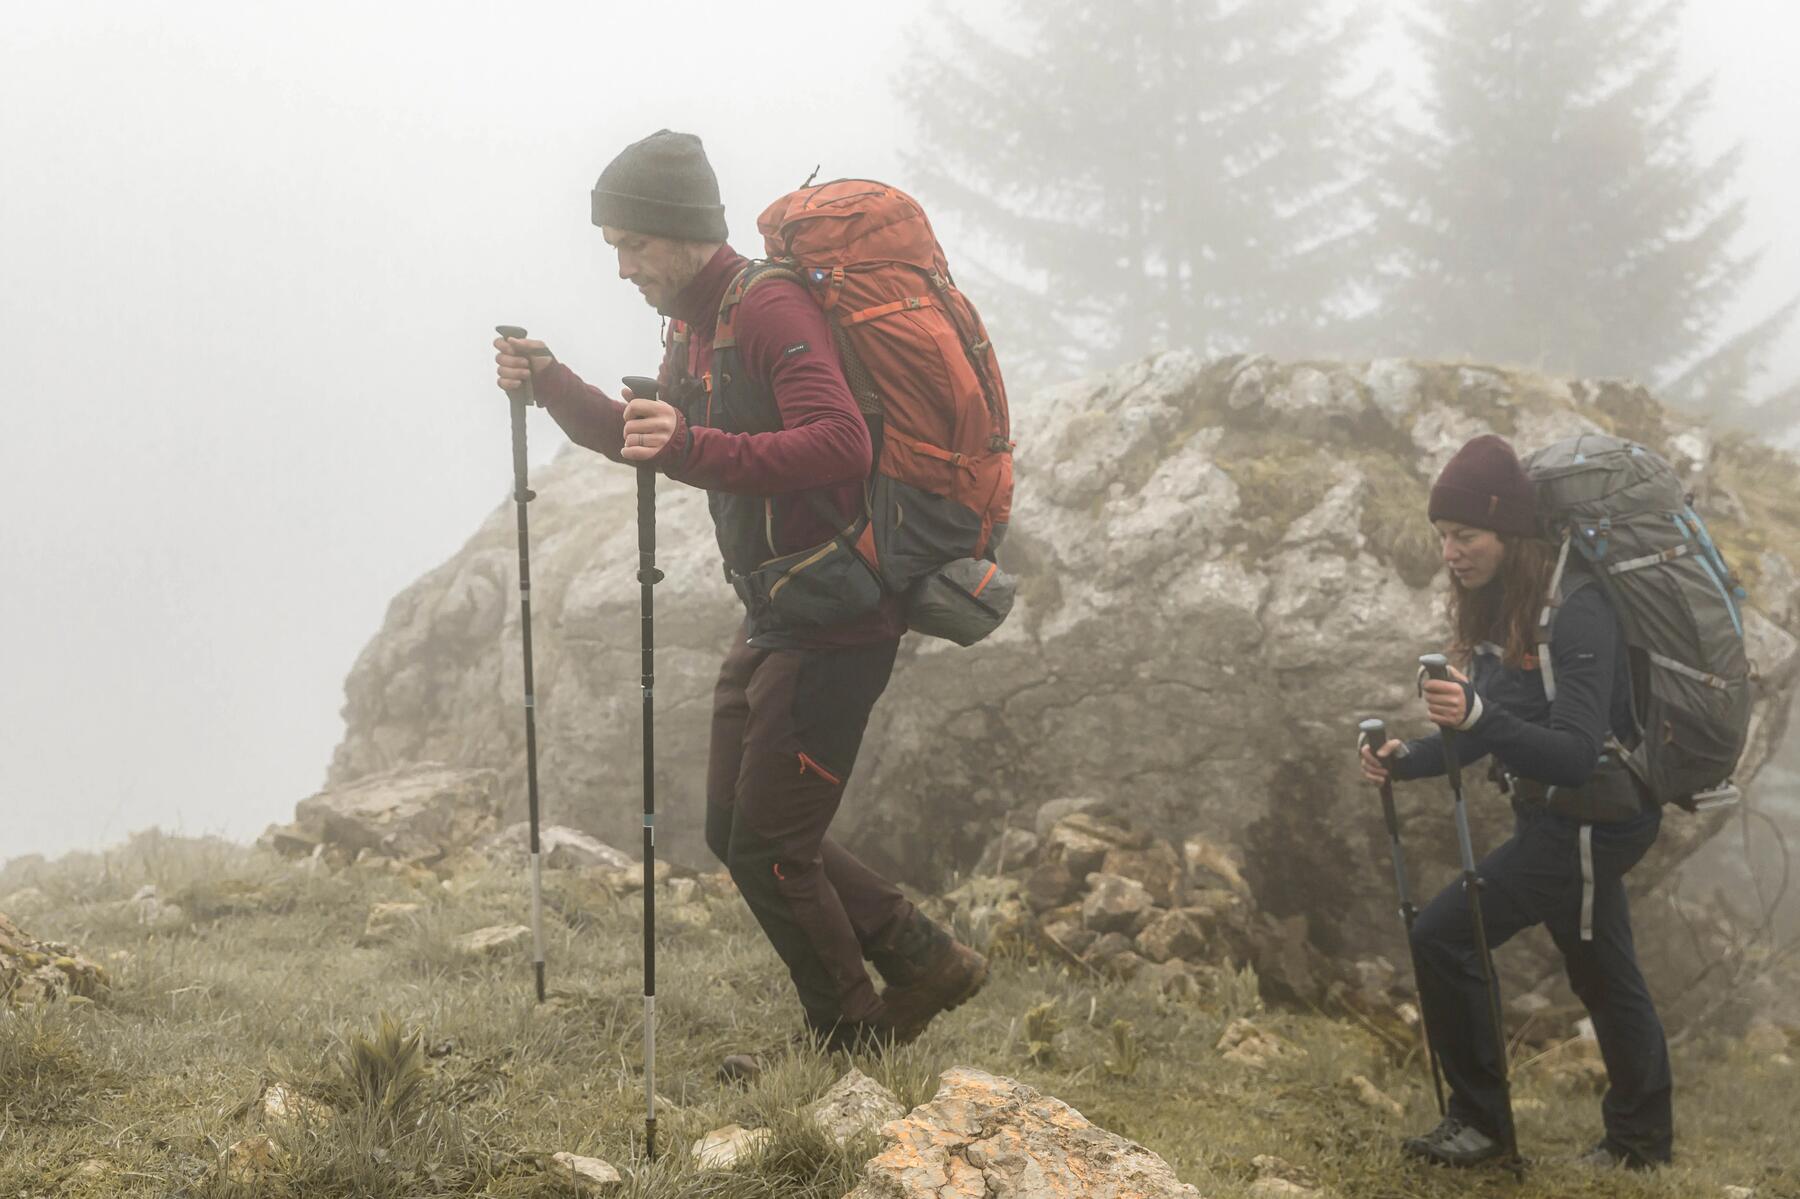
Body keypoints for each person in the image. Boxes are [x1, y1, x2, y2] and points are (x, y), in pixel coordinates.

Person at [491, 129, 986, 1053]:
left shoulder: (766, 309)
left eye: (634, 245)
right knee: (736, 827)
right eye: (615, 247)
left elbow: (841, 443)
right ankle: (923, 957)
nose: (624, 267)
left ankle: (850, 1034)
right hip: (778, 606)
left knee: (769, 843)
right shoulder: (697, 321)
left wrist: (689, 444)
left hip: (840, 613)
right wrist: (552, 384)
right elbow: (653, 437)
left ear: (684, 231)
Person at [1360, 434, 1672, 1170]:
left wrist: (1476, 716)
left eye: (1466, 535)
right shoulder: (1505, 604)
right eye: (1443, 536)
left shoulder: (1579, 610)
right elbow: (1489, 727)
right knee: (1603, 972)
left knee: (1444, 934)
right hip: (1559, 814)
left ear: (1509, 532)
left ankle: (1482, 1130)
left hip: (1594, 818)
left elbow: (1573, 751)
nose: (1451, 552)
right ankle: (1641, 1144)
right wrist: (1409, 759)